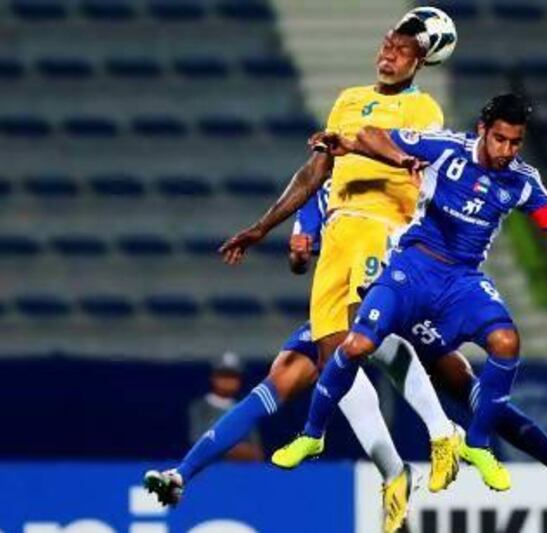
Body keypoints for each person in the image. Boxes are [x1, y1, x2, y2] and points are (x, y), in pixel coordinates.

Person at [145, 12, 461, 532]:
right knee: (319, 362)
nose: (388, 52)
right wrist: (268, 226)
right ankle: (183, 475)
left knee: (364, 334)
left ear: (422, 60)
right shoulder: (347, 99)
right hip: (340, 236)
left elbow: (401, 153)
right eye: (386, 43)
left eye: (402, 50)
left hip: (383, 229)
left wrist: (358, 142)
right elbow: (319, 172)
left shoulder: (422, 108)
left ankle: (441, 429)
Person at [274, 93, 547, 492]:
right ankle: (313, 434)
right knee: (360, 347)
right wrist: (385, 155)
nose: (506, 151)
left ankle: (492, 450)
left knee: (497, 353)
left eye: (515, 143)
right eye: (500, 139)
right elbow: (371, 134)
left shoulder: (522, 181)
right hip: (411, 271)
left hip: (459, 283)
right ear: (482, 130)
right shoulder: (444, 151)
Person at [187, 352, 264, 463]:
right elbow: (199, 445)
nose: (228, 381)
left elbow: (256, 453)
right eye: (223, 375)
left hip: (239, 473)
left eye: (233, 376)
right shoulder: (200, 407)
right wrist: (233, 448)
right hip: (208, 472)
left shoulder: (246, 408)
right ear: (214, 378)